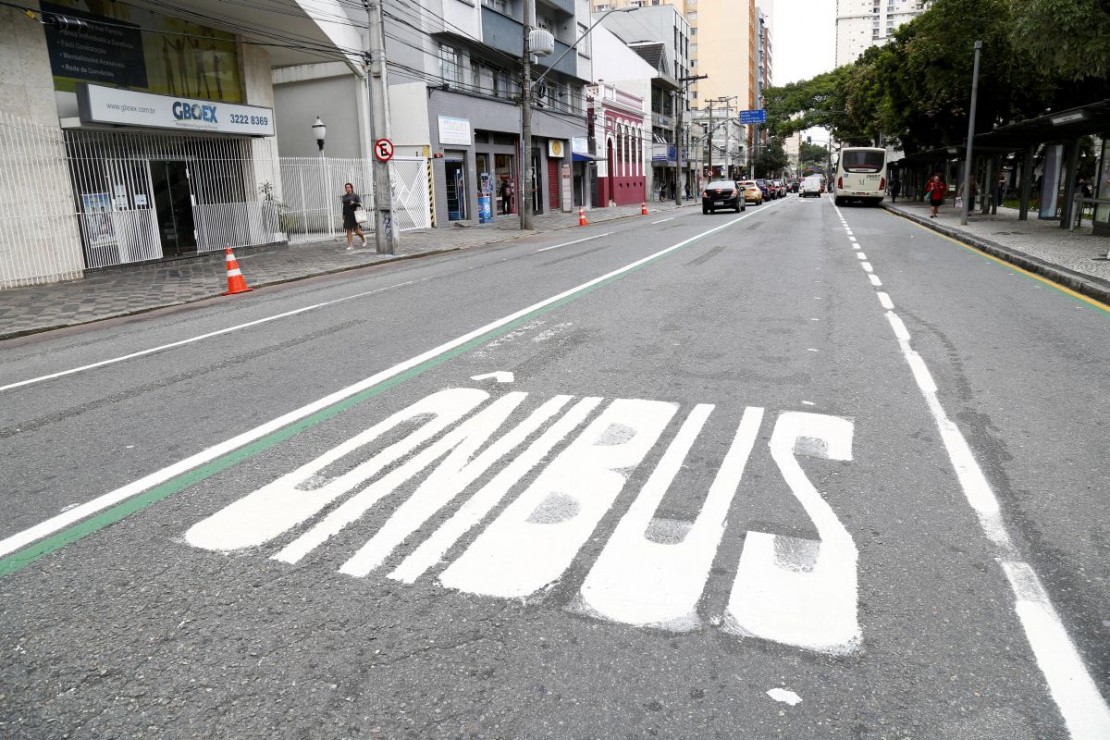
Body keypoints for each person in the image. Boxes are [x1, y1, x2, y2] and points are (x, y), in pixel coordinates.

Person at [341, 182, 366, 250]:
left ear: (351, 188)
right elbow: (344, 206)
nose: (347, 188)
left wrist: (354, 203)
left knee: (357, 231)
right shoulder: (344, 197)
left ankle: (363, 239)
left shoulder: (355, 195)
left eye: (348, 187)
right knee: (348, 230)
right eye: (346, 187)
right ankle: (350, 246)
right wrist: (343, 214)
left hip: (354, 215)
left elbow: (360, 204)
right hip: (347, 215)